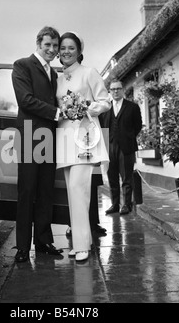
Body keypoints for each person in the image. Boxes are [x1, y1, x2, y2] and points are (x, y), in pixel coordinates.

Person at [56, 32, 111, 262]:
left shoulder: (89, 72)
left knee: (80, 189)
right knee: (72, 191)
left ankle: (81, 246)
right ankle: (82, 241)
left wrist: (86, 108)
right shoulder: (57, 78)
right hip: (64, 139)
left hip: (84, 137)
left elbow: (105, 101)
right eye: (63, 48)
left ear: (79, 50)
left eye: (71, 47)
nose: (66, 51)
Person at [11, 26, 63, 263]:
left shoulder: (53, 74)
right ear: (38, 44)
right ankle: (22, 246)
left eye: (55, 46)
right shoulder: (22, 65)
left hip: (49, 136)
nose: (52, 50)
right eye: (47, 45)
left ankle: (42, 241)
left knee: (45, 191)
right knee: (27, 190)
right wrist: (56, 112)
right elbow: (25, 100)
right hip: (31, 134)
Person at [100, 78, 142, 215]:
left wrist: (128, 138)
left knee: (127, 178)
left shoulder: (132, 107)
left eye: (118, 88)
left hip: (126, 147)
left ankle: (127, 205)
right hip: (109, 147)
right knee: (112, 177)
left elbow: (137, 126)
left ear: (123, 90)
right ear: (109, 91)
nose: (116, 91)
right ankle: (115, 204)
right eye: (113, 89)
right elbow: (102, 127)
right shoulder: (105, 108)